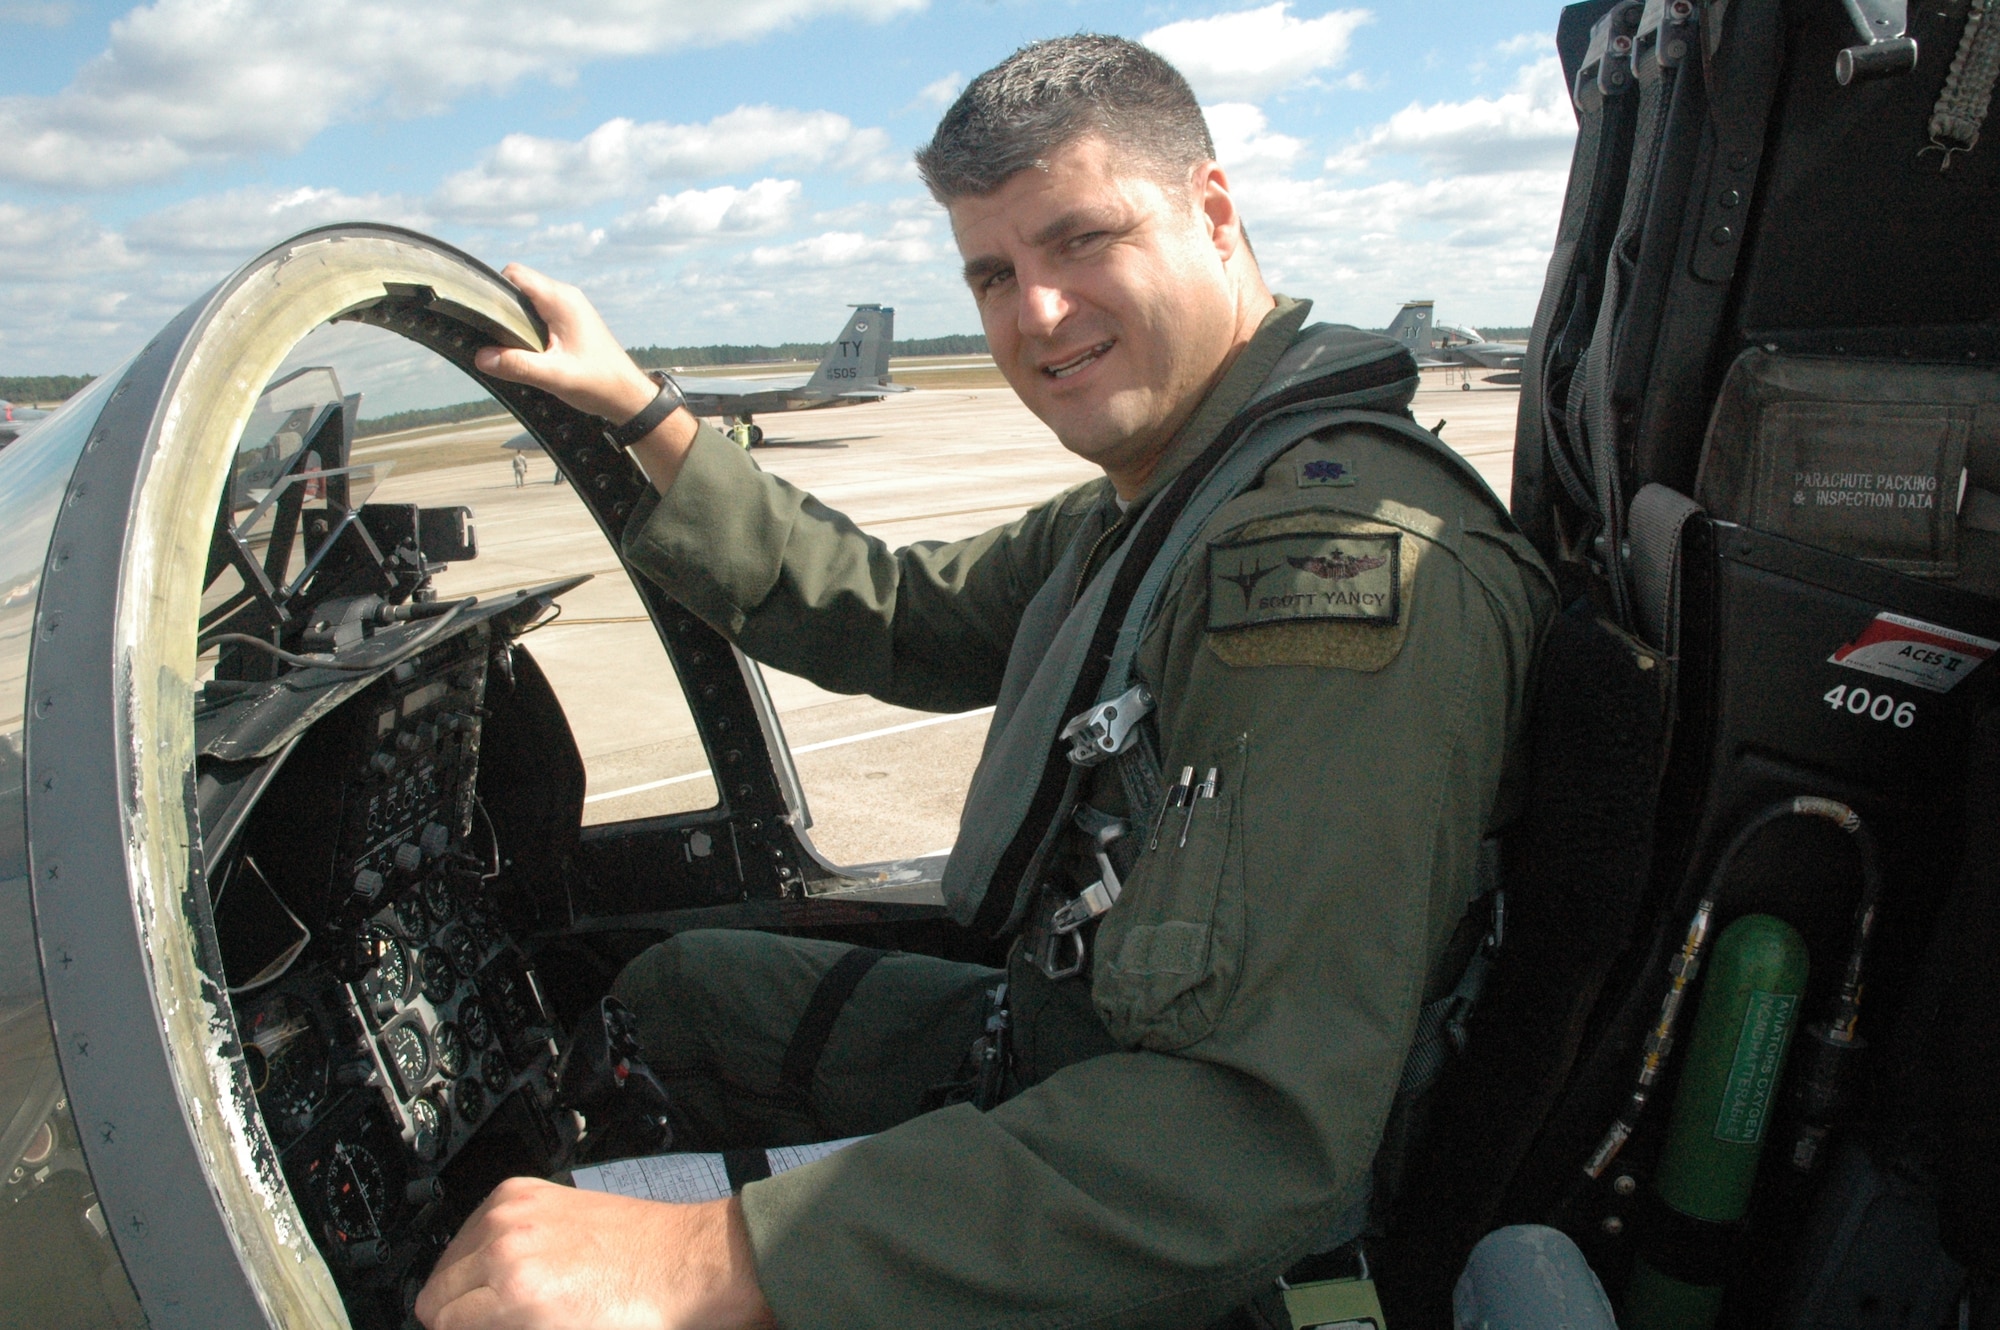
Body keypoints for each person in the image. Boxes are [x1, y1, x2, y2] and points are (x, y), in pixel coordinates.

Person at [415, 34, 1555, 1330]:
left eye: (1082, 240)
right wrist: (640, 414)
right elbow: (896, 616)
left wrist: (700, 1260)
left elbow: (1251, 1138)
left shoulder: (1325, 577)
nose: (1037, 314)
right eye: (995, 272)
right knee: (676, 990)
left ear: (1216, 214)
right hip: (1074, 1050)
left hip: (1215, 1231)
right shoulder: (1166, 506)